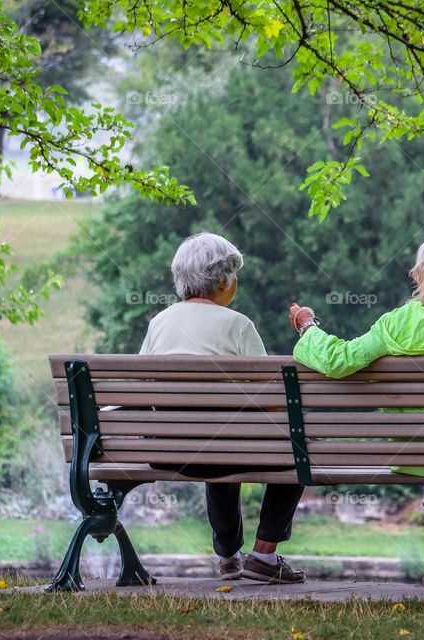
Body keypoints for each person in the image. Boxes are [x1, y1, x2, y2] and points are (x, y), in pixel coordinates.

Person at [288, 235, 424, 588]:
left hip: (414, 451)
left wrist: (307, 327)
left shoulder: (397, 325)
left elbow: (339, 360)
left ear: (422, 275)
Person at [140, 231, 305, 584]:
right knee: (297, 449)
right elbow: (271, 400)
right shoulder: (238, 325)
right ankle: (263, 554)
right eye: (235, 274)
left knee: (217, 444)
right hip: (224, 449)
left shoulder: (159, 323)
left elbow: (144, 390)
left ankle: (229, 557)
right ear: (224, 280)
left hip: (168, 452)